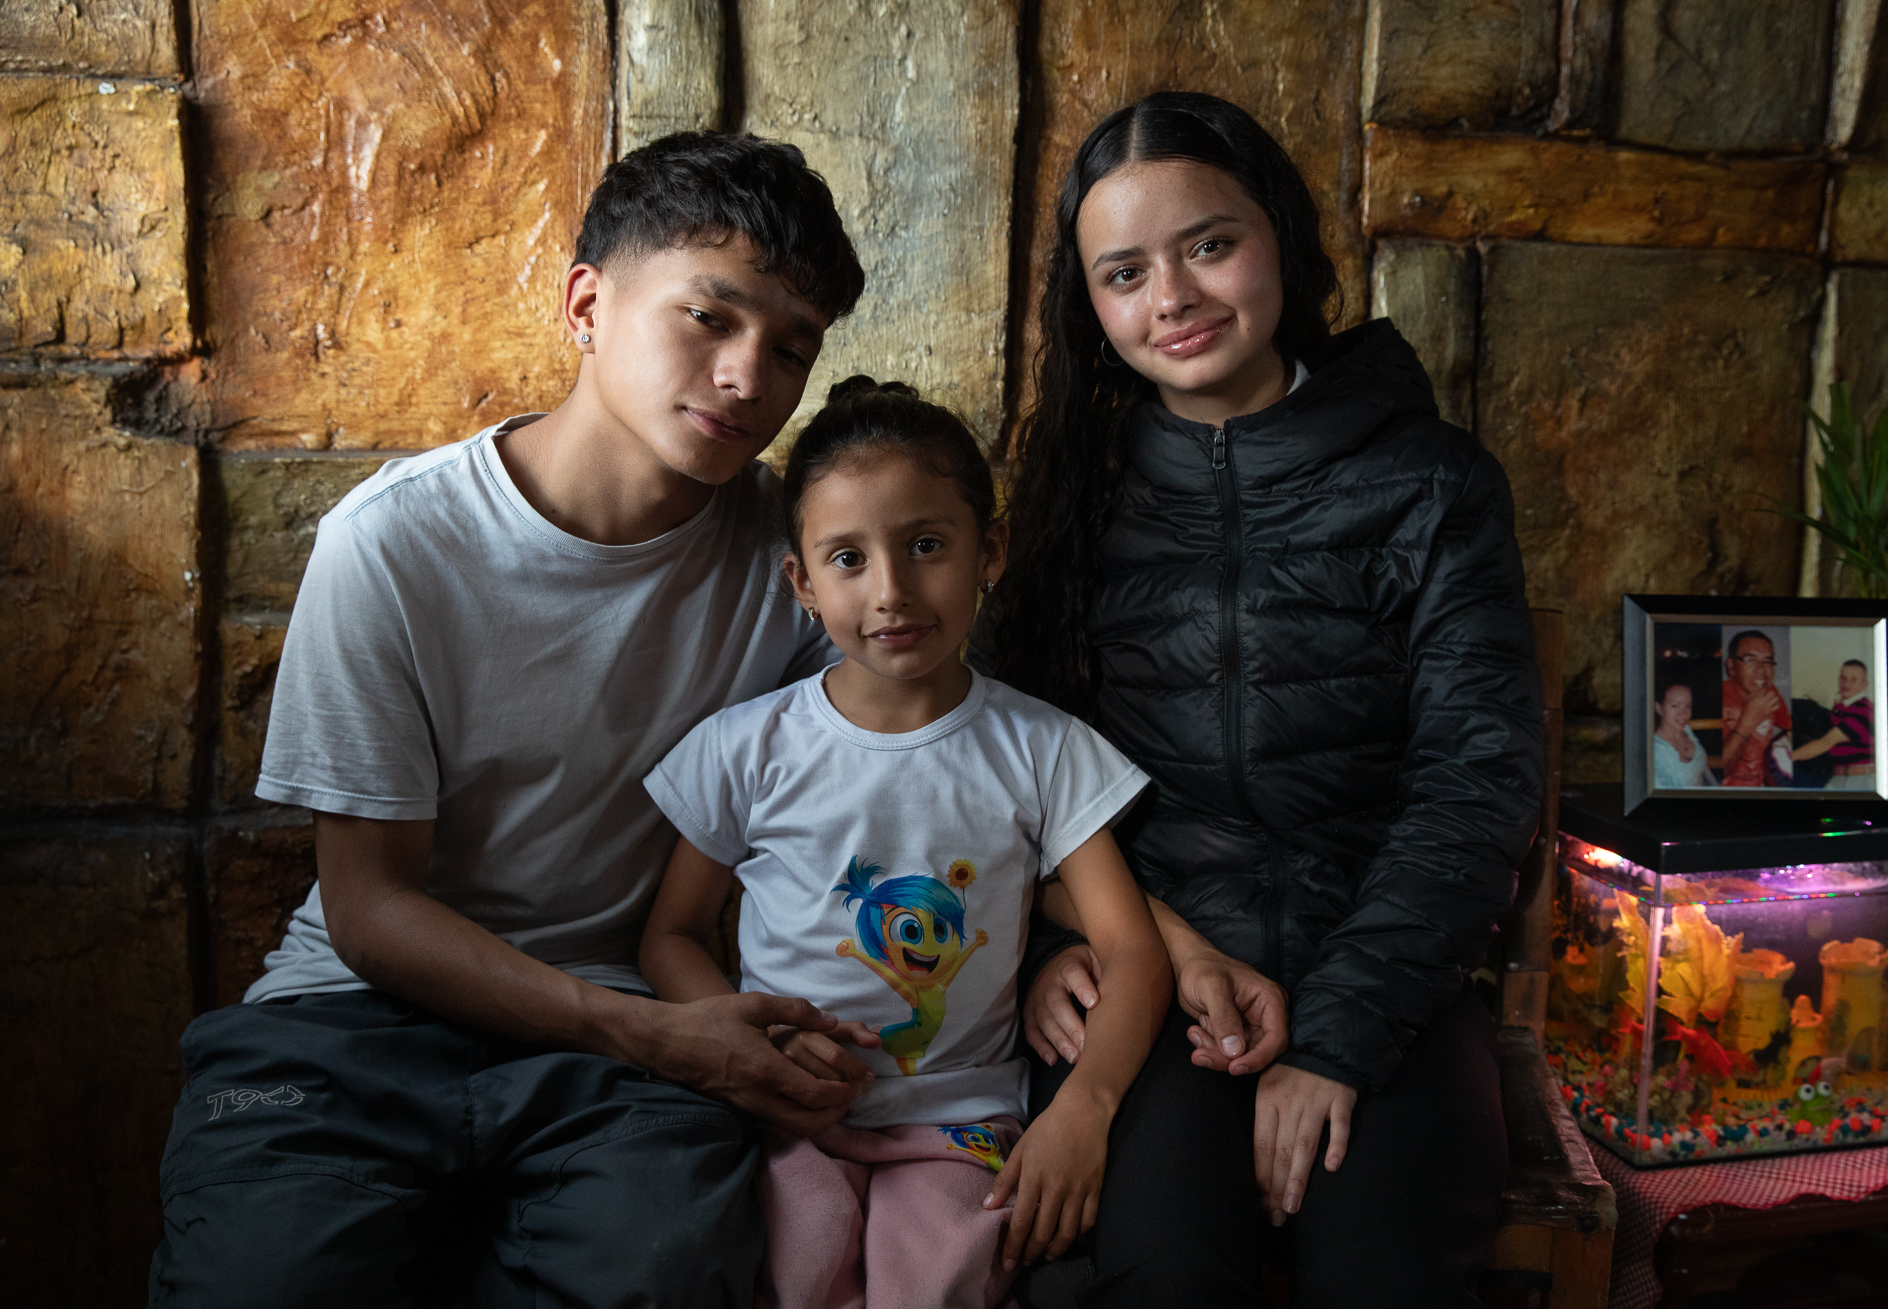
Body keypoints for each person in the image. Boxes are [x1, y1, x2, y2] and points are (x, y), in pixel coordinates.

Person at [151, 133, 870, 1308]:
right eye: (709, 318)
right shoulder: (394, 542)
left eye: (791, 349)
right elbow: (372, 910)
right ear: (587, 303)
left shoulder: (800, 562)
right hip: (354, 1019)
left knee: (665, 1275)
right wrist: (646, 1035)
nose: (750, 377)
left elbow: (932, 759)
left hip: (638, 1037)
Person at [975, 92, 1544, 1306]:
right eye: (1123, 272)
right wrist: (1049, 944)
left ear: (1281, 238)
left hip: (1387, 982)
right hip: (1154, 983)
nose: (1170, 297)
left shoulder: (1429, 482)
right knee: (1160, 1271)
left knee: (1384, 1273)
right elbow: (999, 767)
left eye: (1209, 245)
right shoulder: (1074, 493)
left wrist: (1336, 1038)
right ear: (1090, 305)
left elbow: (1475, 778)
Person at [640, 378, 1170, 1309]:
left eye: (927, 545)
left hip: (962, 1119)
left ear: (987, 551)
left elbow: (1132, 949)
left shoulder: (1043, 748)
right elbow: (671, 936)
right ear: (801, 583)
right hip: (787, 1112)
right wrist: (754, 1045)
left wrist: (1084, 1108)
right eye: (848, 558)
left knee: (937, 1287)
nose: (891, 592)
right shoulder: (745, 747)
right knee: (793, 1270)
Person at [1719, 630, 1790, 787]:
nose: (1761, 670)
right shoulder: (1716, 697)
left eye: (1767, 661)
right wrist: (1748, 721)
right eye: (1750, 660)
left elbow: (1790, 729)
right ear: (1731, 667)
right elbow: (1718, 771)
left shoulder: (1771, 693)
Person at [1790, 659, 1875, 790]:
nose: (1846, 683)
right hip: (1839, 777)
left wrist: (1789, 757)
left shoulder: (1863, 712)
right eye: (1843, 677)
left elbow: (1825, 743)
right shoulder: (1842, 706)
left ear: (1865, 685)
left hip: (1859, 780)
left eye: (1854, 680)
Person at [1652, 681, 1717, 789]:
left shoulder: (1687, 730)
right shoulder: (1655, 750)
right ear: (1659, 708)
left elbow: (1704, 772)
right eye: (1675, 706)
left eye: (1688, 706)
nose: (1684, 713)